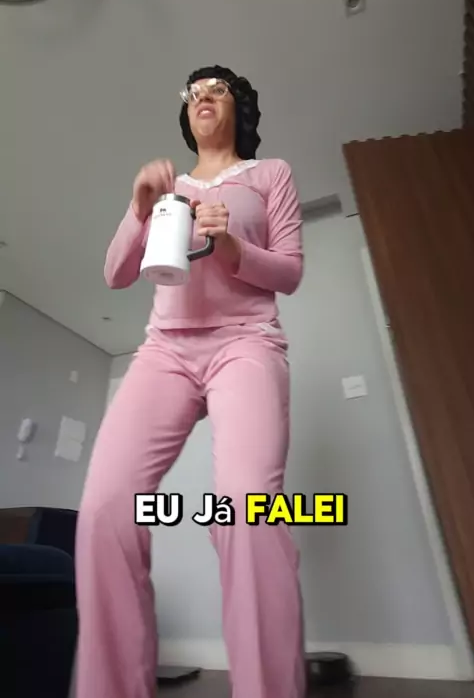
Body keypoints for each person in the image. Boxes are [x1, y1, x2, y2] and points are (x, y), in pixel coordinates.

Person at [75, 65, 306, 698]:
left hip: (246, 341)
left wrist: (231, 246)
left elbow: (289, 273)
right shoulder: (168, 186)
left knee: (249, 510)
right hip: (165, 349)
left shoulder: (270, 174)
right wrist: (139, 208)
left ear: (239, 105)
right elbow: (116, 274)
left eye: (217, 89)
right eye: (193, 92)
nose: (203, 97)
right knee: (104, 510)